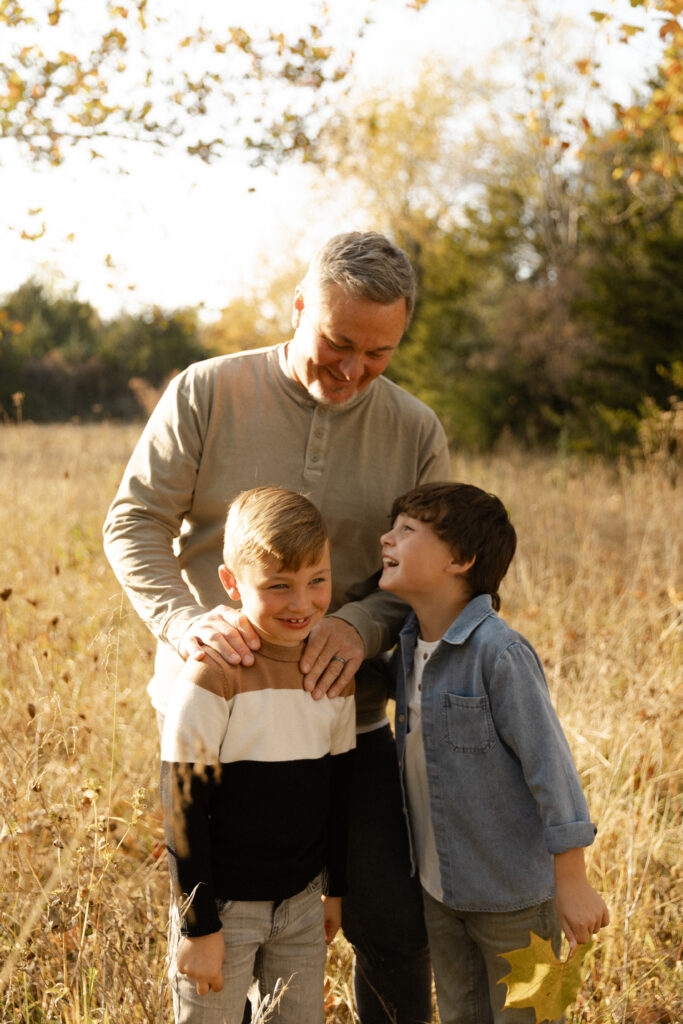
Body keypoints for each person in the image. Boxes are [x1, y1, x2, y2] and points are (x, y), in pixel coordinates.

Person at [103, 230, 451, 1024]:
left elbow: (432, 570)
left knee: (390, 927)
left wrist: (361, 625)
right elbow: (133, 523)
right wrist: (187, 622)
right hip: (220, 720)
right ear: (299, 306)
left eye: (378, 352)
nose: (353, 369)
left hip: (344, 719)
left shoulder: (416, 430)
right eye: (337, 342)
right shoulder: (206, 390)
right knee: (223, 928)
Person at [378, 481, 610, 1024]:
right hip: (441, 890)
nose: (386, 537)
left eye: (406, 530)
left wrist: (570, 881)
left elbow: (551, 768)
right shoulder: (410, 646)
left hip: (512, 899)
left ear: (459, 559)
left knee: (525, 1019)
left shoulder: (498, 654)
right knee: (461, 1015)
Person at [161, 487, 355, 1023]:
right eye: (278, 587)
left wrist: (334, 889)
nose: (302, 603)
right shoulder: (214, 674)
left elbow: (339, 790)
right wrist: (199, 926)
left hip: (301, 907)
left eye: (318, 580)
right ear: (231, 583)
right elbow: (181, 806)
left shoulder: (332, 671)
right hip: (224, 908)